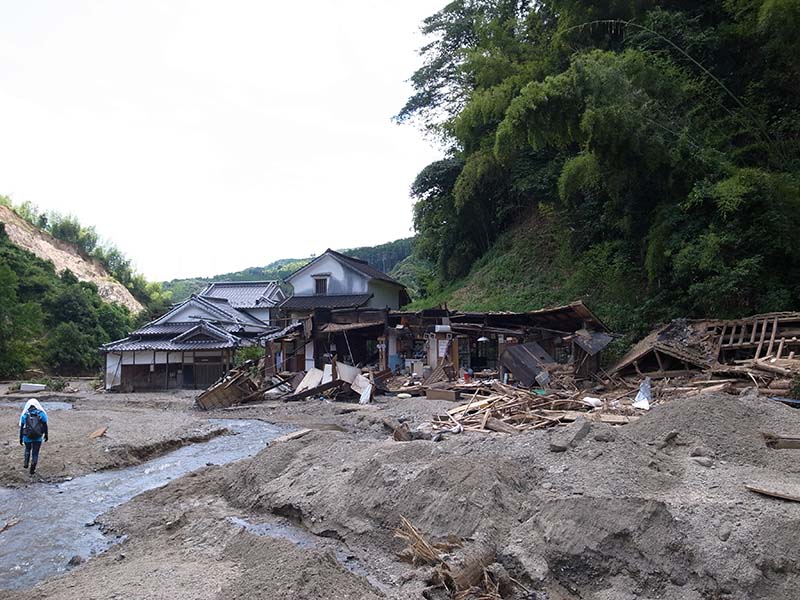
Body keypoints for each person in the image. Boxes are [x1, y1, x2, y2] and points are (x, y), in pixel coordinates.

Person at [19, 399, 48, 475]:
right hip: (38, 437)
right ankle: (32, 468)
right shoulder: (41, 414)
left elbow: (22, 427)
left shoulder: (25, 415)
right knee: (35, 452)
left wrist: (20, 438)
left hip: (27, 437)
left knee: (27, 449)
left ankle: (26, 463)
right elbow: (45, 425)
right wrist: (46, 435)